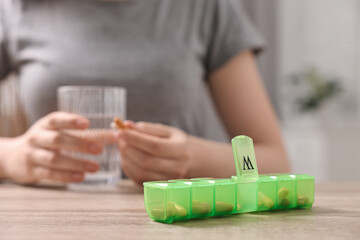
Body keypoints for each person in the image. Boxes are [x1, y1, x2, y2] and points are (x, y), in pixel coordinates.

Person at [0, 0, 289, 185]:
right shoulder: (16, 8)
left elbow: (274, 160)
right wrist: (11, 156)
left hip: (176, 221)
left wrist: (195, 158)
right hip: (50, 221)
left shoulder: (205, 7)